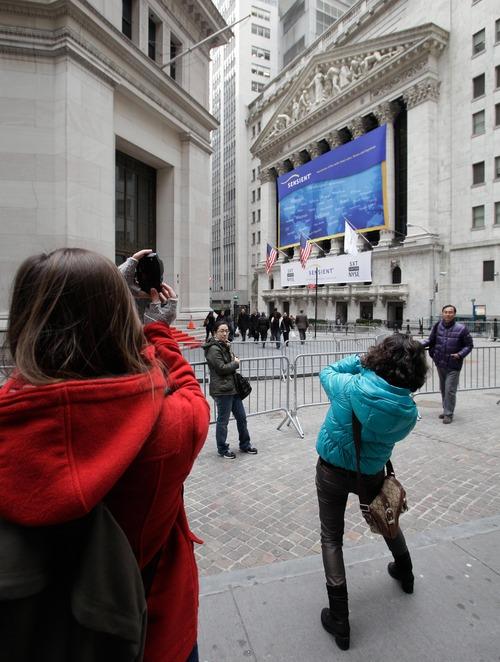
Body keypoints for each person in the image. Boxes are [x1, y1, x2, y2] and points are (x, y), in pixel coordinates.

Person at [0, 247, 209, 662]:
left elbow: (30, 376)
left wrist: (95, 289)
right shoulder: (166, 429)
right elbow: (191, 394)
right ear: (118, 321)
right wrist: (157, 331)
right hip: (155, 634)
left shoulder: (10, 421)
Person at [315, 335, 428, 651]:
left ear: (379, 358)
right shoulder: (407, 409)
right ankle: (405, 572)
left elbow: (326, 372)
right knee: (385, 518)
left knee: (331, 538)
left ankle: (340, 619)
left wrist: (358, 361)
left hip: (332, 468)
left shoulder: (350, 386)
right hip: (371, 472)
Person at [203, 320, 258, 459]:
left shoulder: (225, 345)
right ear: (215, 332)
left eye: (226, 331)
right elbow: (221, 368)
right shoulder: (213, 349)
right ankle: (222, 448)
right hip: (222, 390)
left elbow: (228, 362)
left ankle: (245, 444)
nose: (225, 333)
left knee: (242, 417)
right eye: (221, 331)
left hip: (232, 388)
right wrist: (235, 363)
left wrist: (233, 358)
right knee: (223, 421)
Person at [422, 304, 473, 423]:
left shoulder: (462, 328)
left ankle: (448, 414)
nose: (448, 314)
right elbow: (430, 340)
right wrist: (416, 345)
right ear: (442, 313)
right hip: (440, 363)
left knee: (450, 389)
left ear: (454, 314)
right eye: (446, 312)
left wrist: (460, 355)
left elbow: (469, 345)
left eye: (450, 312)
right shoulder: (437, 326)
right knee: (443, 388)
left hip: (454, 364)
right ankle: (446, 410)